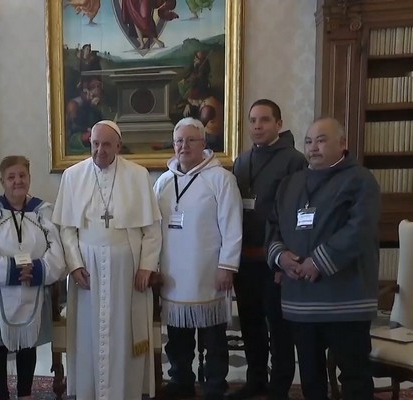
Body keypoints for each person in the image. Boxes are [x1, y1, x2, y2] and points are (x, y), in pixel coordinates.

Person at [266, 117, 380, 400]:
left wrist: (317, 261)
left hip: (346, 299)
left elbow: (360, 230)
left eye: (321, 140)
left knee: (354, 377)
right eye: (308, 141)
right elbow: (273, 227)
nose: (313, 147)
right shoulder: (289, 184)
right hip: (300, 300)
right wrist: (282, 258)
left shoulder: (361, 180)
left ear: (343, 144)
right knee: (310, 379)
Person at [52, 120, 162, 400]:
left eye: (106, 145)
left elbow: (151, 229)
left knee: (124, 332)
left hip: (127, 266)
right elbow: (67, 229)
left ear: (118, 146)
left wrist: (146, 266)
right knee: (89, 331)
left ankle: (124, 391)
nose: (100, 150)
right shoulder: (73, 176)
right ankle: (90, 391)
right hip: (87, 267)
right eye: (95, 144)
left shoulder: (137, 176)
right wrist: (75, 264)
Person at [153, 118, 243, 400]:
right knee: (177, 336)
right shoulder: (164, 181)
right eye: (179, 140)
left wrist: (227, 266)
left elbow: (232, 225)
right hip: (173, 273)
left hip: (208, 271)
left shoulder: (221, 179)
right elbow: (153, 228)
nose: (183, 146)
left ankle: (214, 383)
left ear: (204, 143)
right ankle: (181, 379)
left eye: (190, 140)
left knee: (213, 337)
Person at [0, 155, 66, 400]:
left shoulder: (43, 211)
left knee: (26, 345)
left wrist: (40, 269)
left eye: (22, 176)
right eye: (11, 177)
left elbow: (58, 249)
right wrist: (10, 271)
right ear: (2, 181)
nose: (17, 181)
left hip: (34, 286)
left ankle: (25, 394)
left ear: (29, 178)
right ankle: (1, 395)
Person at [227, 99, 306, 400]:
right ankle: (255, 379)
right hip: (244, 260)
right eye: (252, 121)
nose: (257, 126)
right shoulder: (242, 160)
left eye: (264, 120)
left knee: (279, 326)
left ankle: (280, 385)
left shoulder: (294, 160)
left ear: (278, 124)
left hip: (275, 260)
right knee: (250, 322)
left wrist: (285, 261)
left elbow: (296, 213)